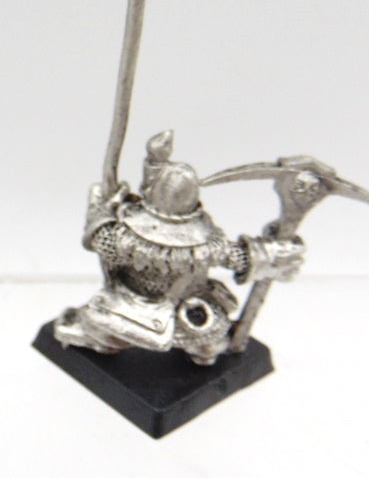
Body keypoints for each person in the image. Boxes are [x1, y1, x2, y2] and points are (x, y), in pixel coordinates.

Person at [54, 130, 305, 365]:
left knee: (207, 338)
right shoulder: (203, 248)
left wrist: (102, 208)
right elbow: (239, 257)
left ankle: (200, 350)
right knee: (112, 327)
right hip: (136, 304)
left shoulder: (122, 238)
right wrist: (269, 254)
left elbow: (100, 236)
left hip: (180, 307)